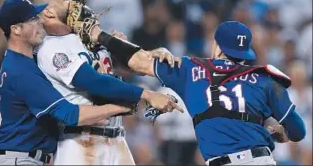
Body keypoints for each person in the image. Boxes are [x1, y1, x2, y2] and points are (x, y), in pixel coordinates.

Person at [0, 0, 180, 165]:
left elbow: (111, 66)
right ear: (16, 29)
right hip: (32, 156)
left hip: (37, 155)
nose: (39, 20)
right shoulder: (25, 67)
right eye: (33, 19)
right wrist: (136, 100)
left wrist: (141, 53)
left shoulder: (26, 61)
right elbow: (71, 111)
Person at [101, 21, 307, 165]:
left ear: (217, 46)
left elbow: (137, 62)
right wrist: (282, 133)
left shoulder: (190, 69)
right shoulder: (265, 79)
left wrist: (105, 38)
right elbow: (299, 131)